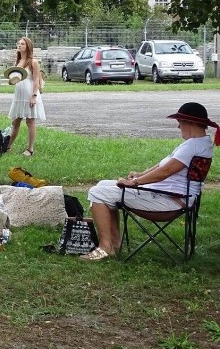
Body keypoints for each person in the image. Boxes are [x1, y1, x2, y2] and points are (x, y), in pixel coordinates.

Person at [82, 102, 218, 261]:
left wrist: (135, 182)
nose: (178, 127)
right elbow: (165, 165)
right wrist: (141, 174)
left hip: (169, 201)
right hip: (176, 197)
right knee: (103, 185)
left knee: (96, 192)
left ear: (191, 123)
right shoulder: (202, 143)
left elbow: (165, 172)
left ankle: (105, 248)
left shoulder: (192, 146)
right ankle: (114, 243)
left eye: (180, 122)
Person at [6, 37, 46, 157]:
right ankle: (7, 146)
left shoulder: (33, 62)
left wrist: (34, 96)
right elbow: (16, 78)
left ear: (28, 46)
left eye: (22, 44)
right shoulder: (17, 62)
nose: (19, 45)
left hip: (29, 94)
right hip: (19, 95)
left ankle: (30, 149)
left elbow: (36, 80)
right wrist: (11, 81)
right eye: (18, 43)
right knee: (16, 121)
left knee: (30, 121)